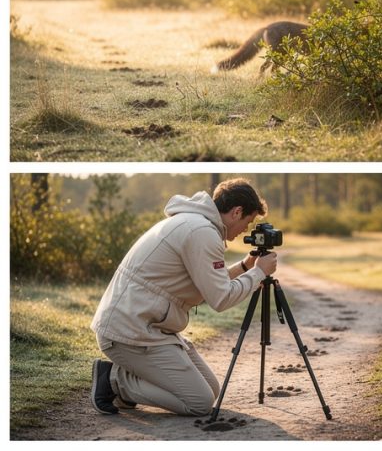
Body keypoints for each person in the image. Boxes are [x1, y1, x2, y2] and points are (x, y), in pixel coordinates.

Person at [90, 178, 278, 416]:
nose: (245, 231)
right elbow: (220, 299)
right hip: (129, 332)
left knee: (211, 388)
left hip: (147, 326)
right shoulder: (202, 232)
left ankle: (128, 379)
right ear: (236, 212)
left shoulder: (194, 222)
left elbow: (209, 286)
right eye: (248, 222)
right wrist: (259, 272)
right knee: (199, 402)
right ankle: (115, 380)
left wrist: (245, 267)